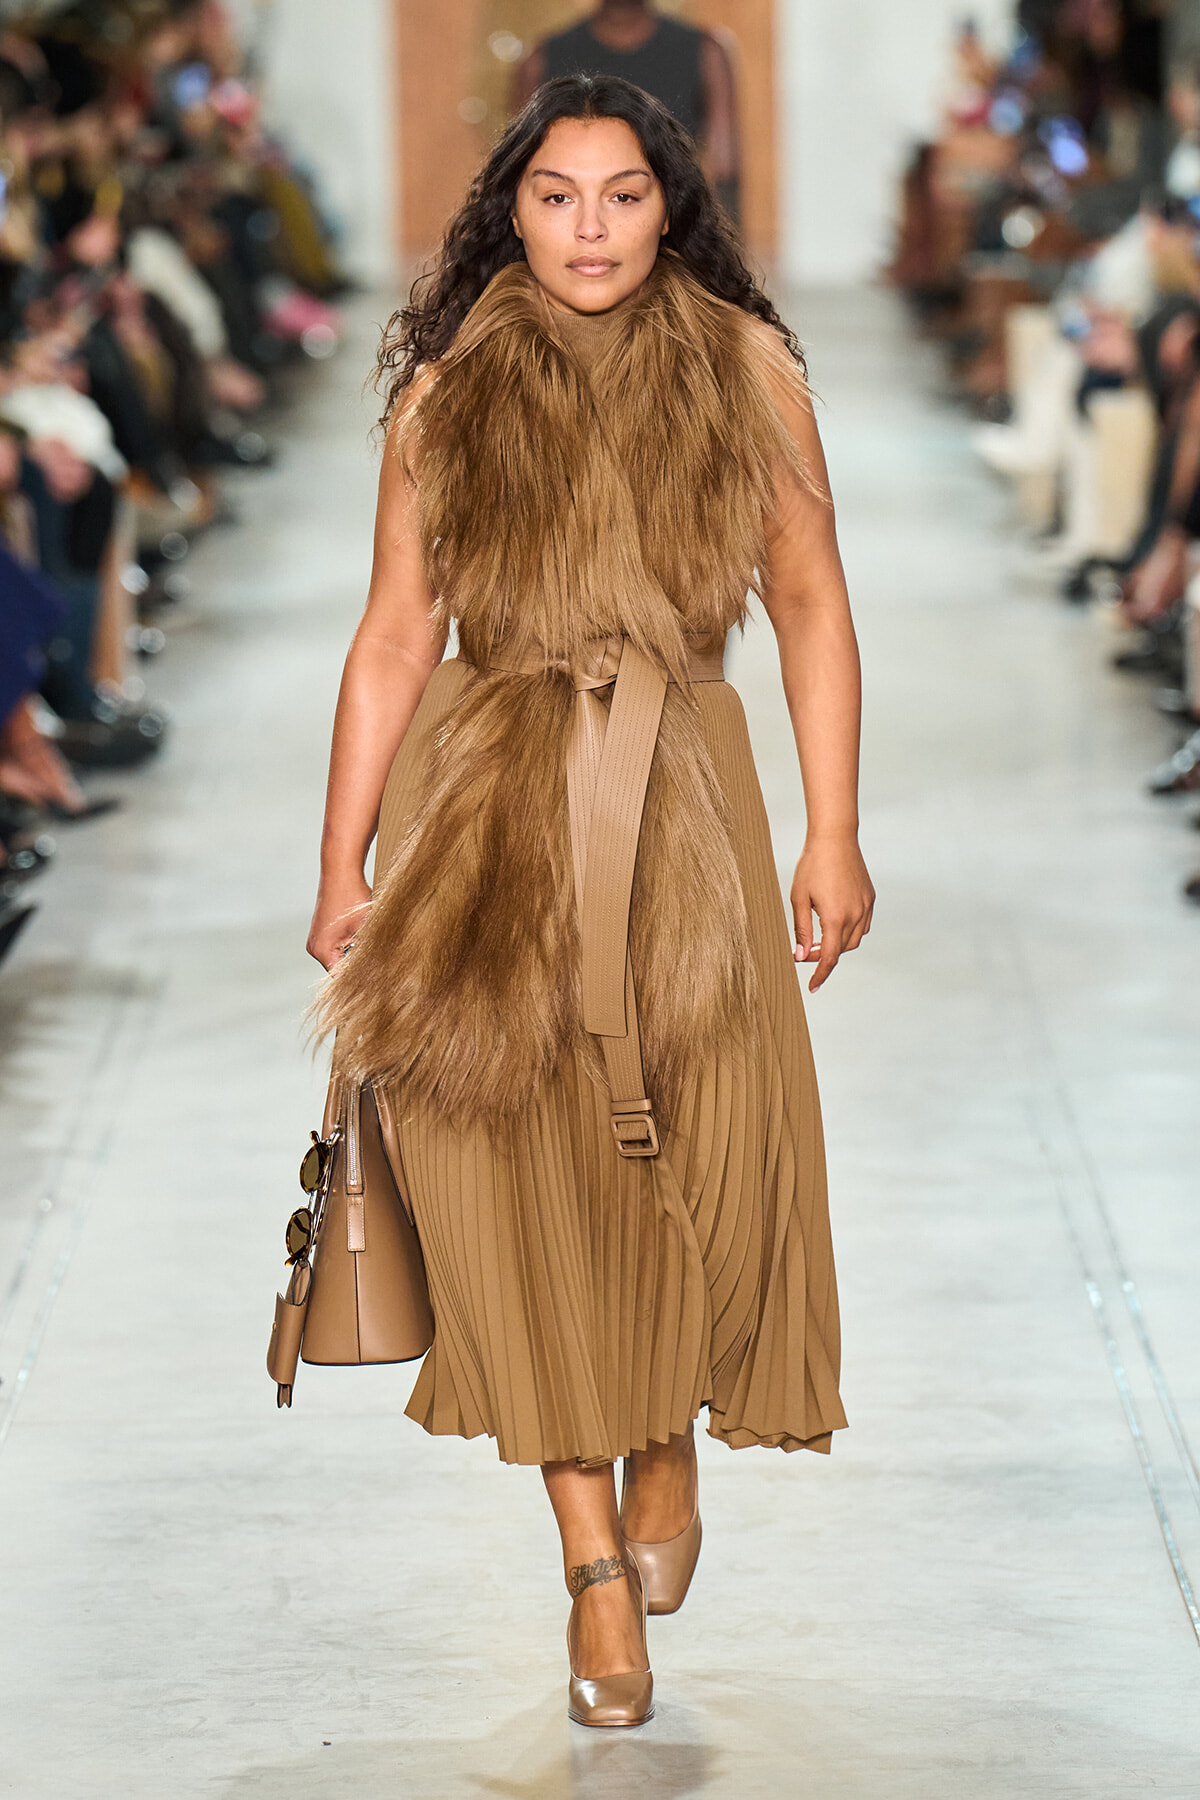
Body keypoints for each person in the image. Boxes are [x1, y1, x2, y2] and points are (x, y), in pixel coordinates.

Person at [307, 75, 872, 1729]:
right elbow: (397, 636)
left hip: (688, 793)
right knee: (511, 1177)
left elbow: (814, 600)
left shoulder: (746, 370)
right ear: (513, 208)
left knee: (703, 1141)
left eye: (623, 197)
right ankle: (590, 1570)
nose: (590, 230)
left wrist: (834, 830)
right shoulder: (449, 389)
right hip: (493, 810)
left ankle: (671, 1436)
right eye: (557, 198)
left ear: (670, 209)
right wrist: (341, 859)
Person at [513, 2, 741, 222]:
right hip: (568, 234)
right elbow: (522, 173)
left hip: (677, 235)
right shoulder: (540, 60)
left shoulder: (706, 53)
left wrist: (716, 253)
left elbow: (724, 171)